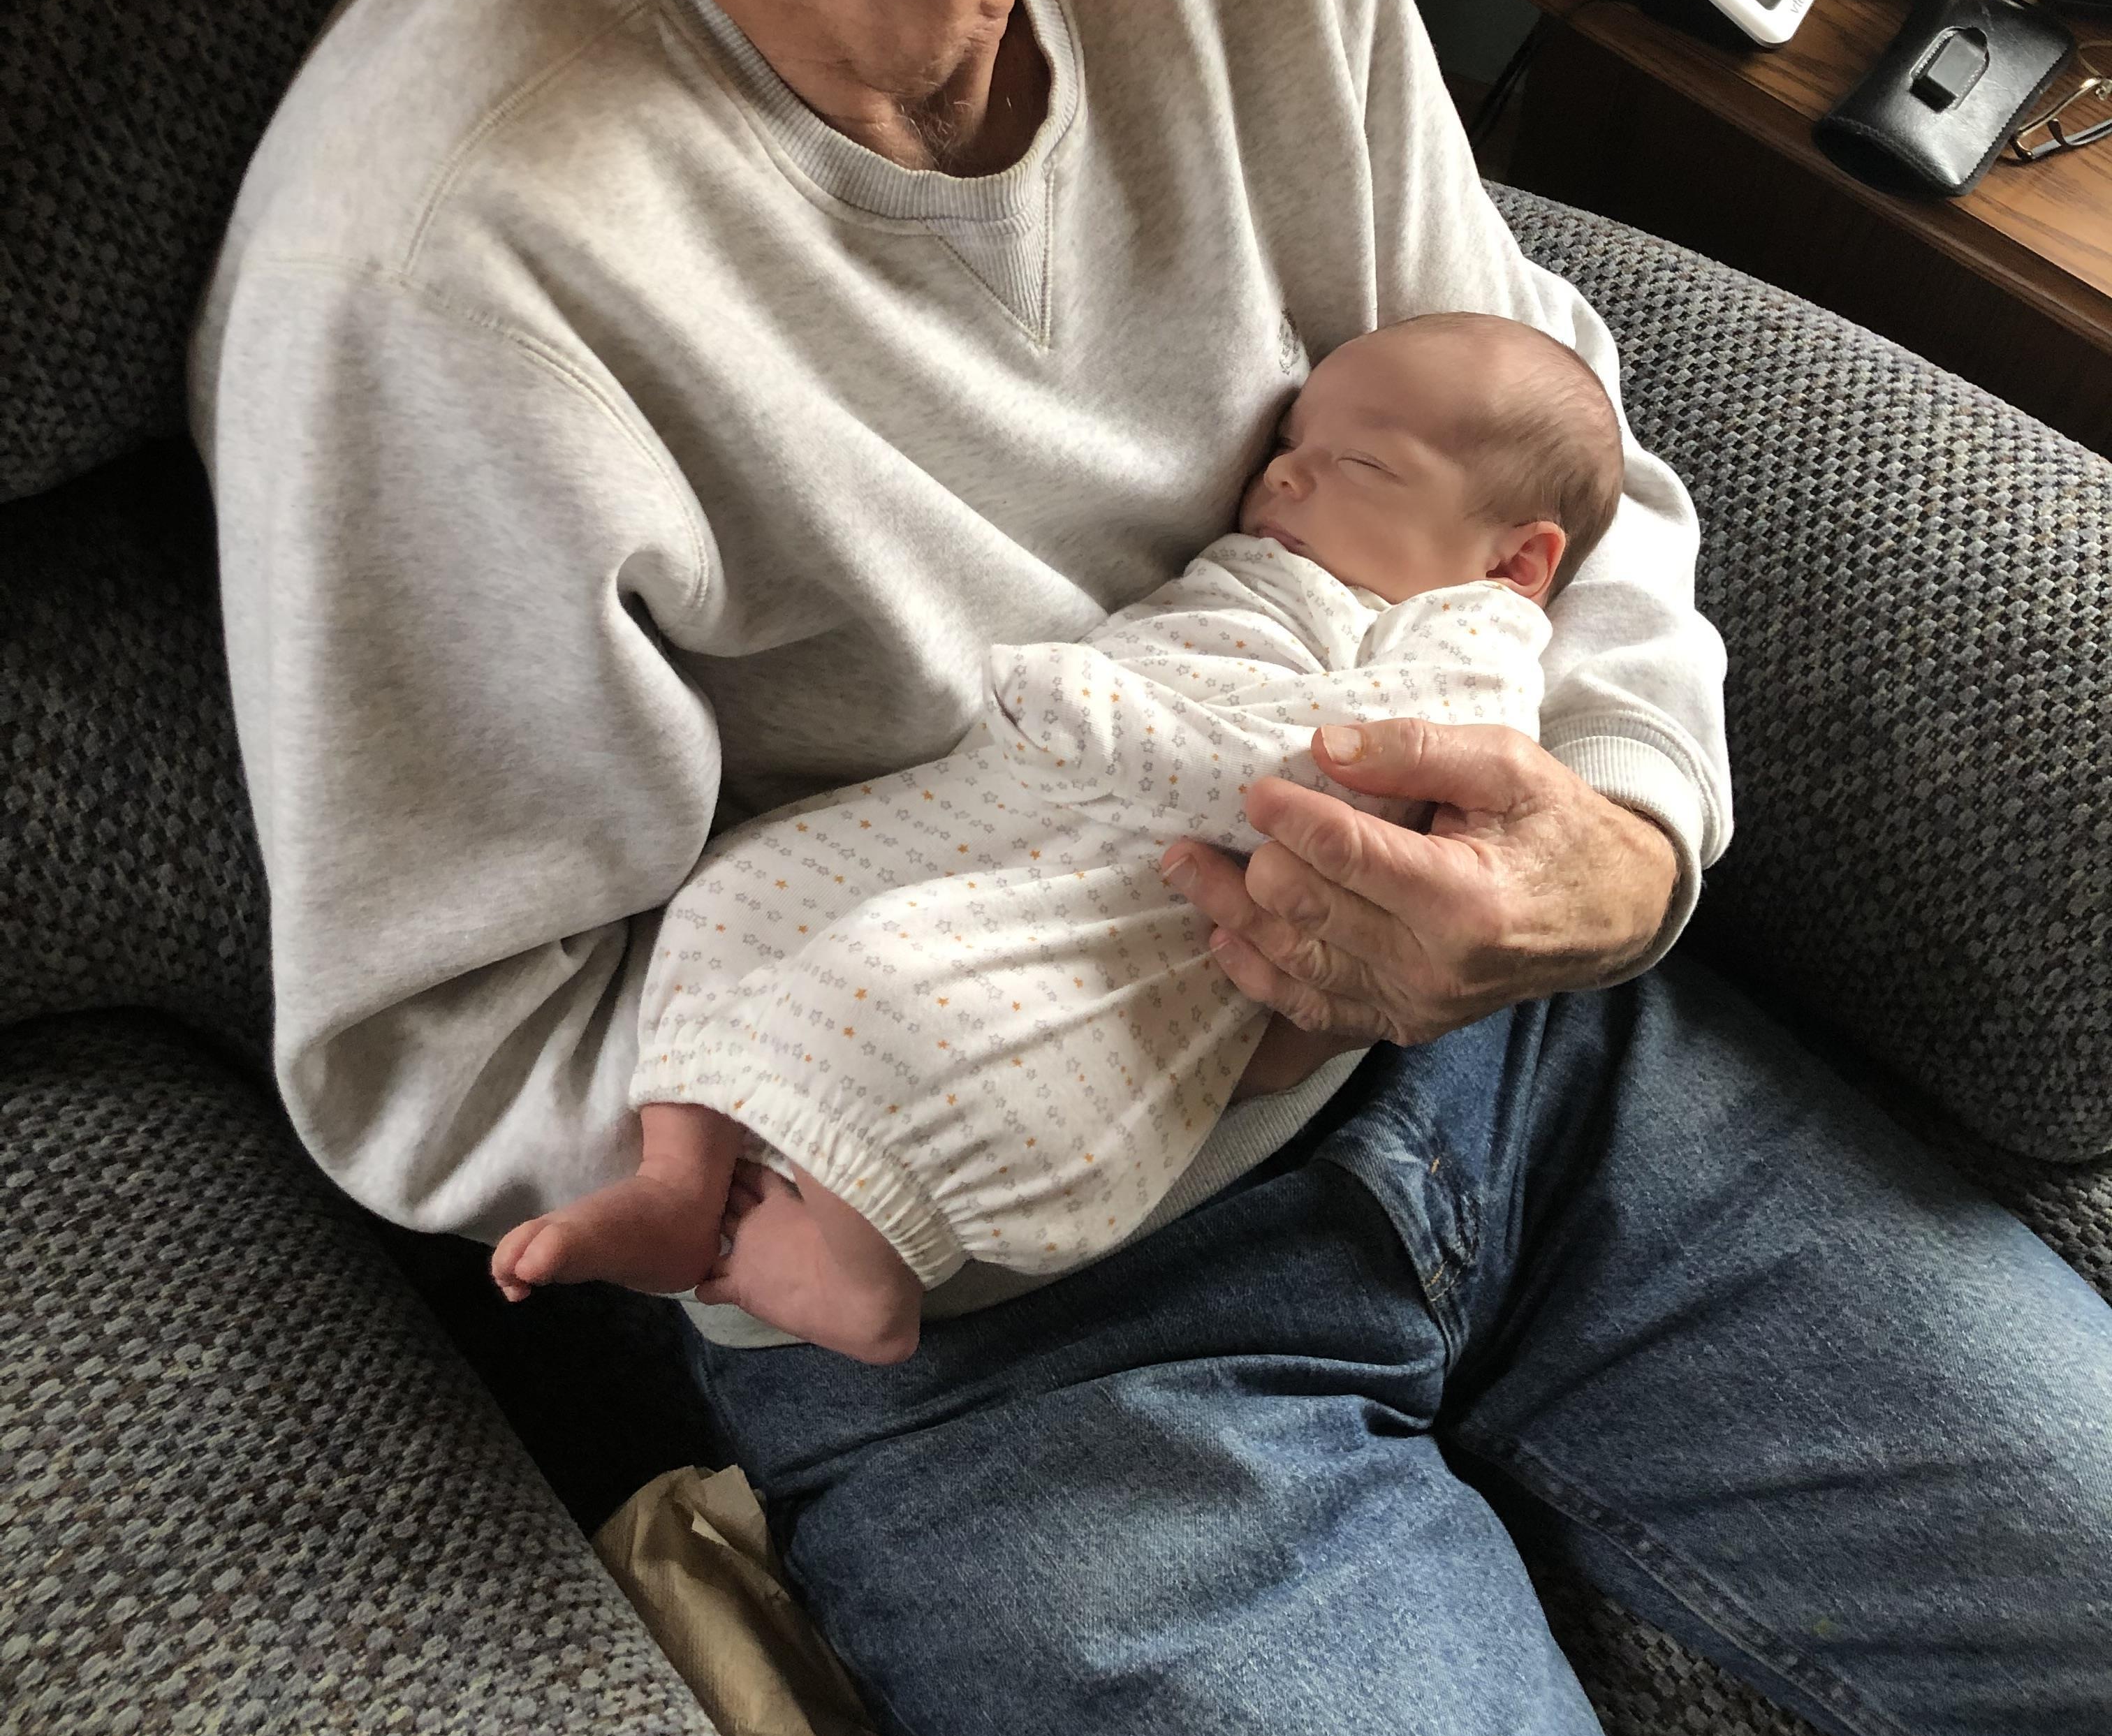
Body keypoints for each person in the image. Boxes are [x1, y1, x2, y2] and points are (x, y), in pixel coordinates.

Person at [191, 0, 2112, 1736]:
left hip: (1543, 1079)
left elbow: (1570, 473)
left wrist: (1612, 860)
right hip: (1020, 1312)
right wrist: (944, 1072)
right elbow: (433, 1045)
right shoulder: (439, 268)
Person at [487, 312, 1621, 1361]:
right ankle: (678, 1182)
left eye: (1360, 464)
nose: (1284, 468)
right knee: (739, 891)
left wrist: (1111, 725)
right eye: (1291, 438)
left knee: (907, 1002)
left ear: (1513, 561)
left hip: (1142, 899)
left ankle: (864, 1273)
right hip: (1017, 809)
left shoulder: (1463, 636)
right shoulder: (1285, 560)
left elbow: (1351, 788)